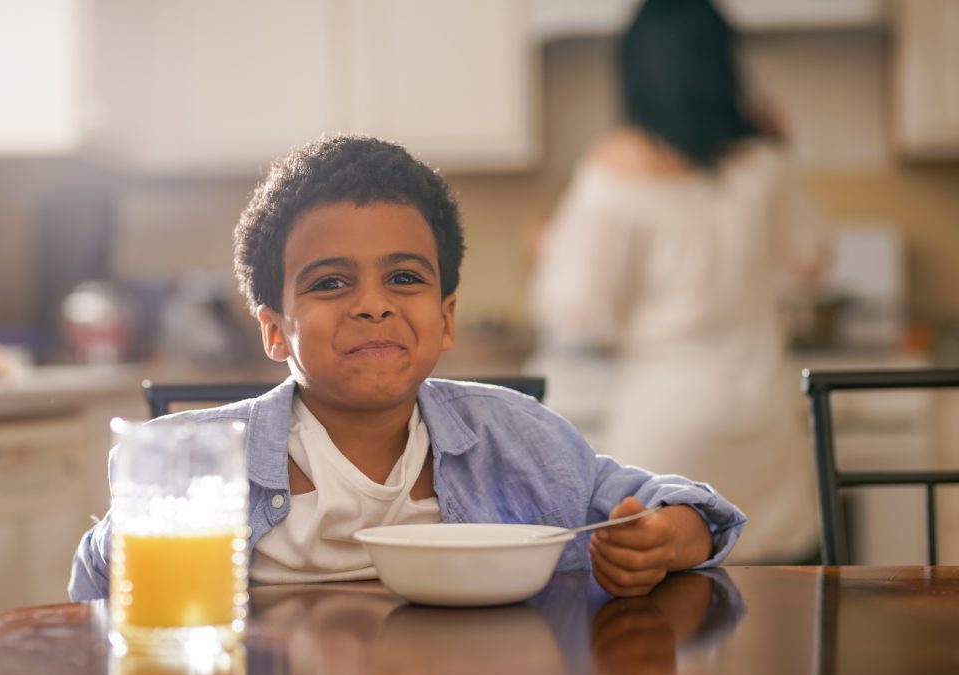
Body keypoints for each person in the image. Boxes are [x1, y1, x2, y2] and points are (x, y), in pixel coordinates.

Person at [69, 135, 746, 602]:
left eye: (403, 277)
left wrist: (665, 539)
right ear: (274, 328)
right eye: (331, 283)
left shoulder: (518, 439)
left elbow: (682, 508)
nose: (373, 305)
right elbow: (95, 586)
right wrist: (133, 525)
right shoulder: (211, 460)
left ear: (446, 316)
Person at [527, 0, 827, 564]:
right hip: (763, 416)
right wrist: (782, 146)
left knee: (669, 625)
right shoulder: (763, 164)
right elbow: (812, 262)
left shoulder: (613, 172)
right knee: (783, 618)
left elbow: (577, 313)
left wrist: (547, 250)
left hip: (670, 425)